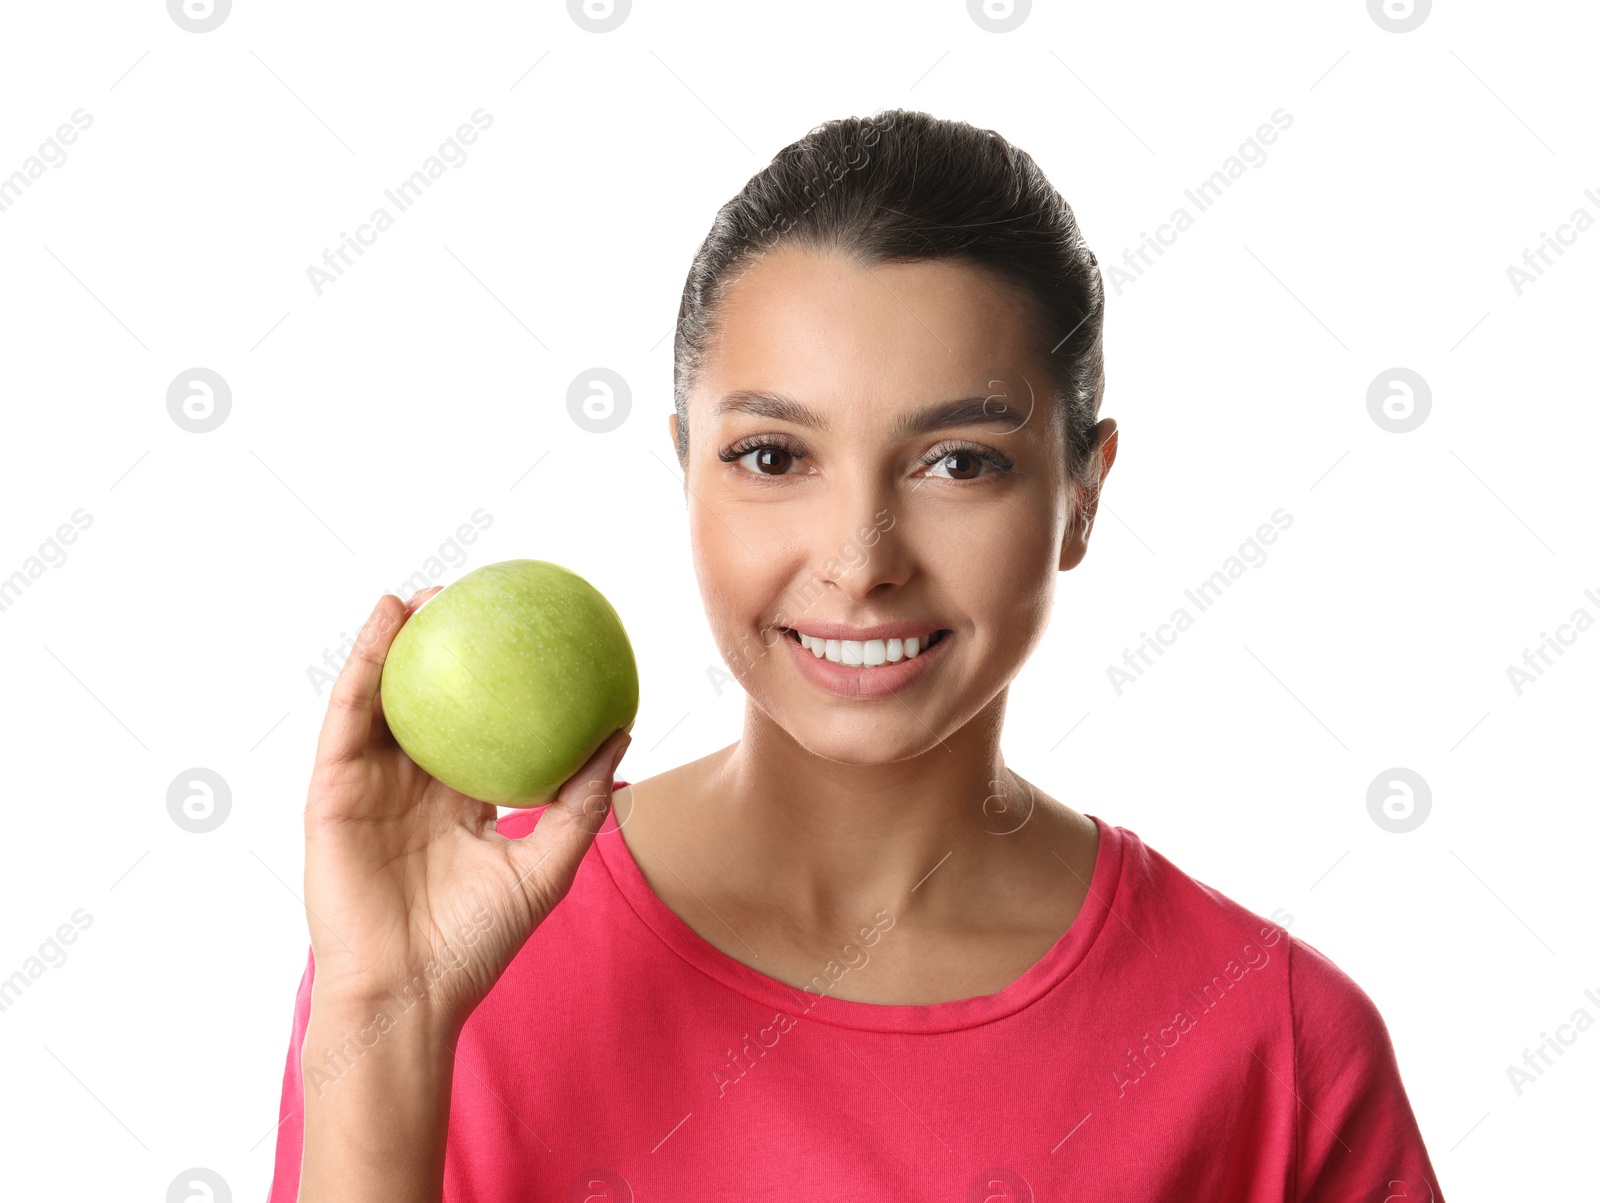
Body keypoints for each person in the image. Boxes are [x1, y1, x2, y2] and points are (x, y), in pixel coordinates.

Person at [270, 109, 1443, 1202]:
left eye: (958, 462)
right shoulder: (450, 957)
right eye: (775, 457)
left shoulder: (1275, 1046)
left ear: (1082, 495)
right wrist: (389, 1016)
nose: (859, 560)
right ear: (686, 470)